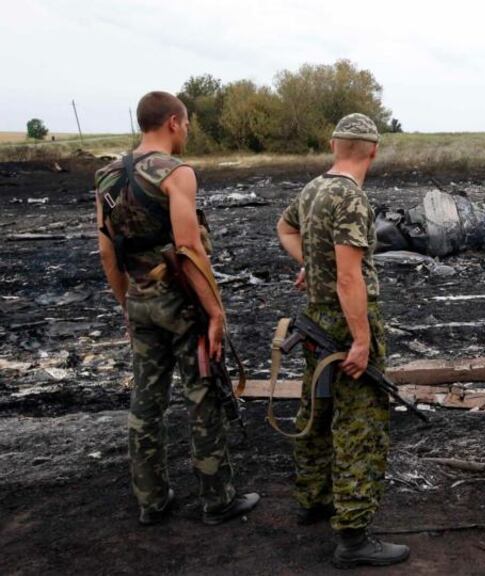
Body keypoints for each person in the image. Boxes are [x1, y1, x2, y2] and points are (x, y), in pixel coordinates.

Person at [95, 91, 259, 526]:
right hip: (182, 303)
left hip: (140, 302)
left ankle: (151, 500)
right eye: (185, 124)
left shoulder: (107, 177)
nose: (186, 131)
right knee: (202, 394)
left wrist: (127, 306)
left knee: (145, 403)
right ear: (172, 121)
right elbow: (188, 247)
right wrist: (216, 311)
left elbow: (108, 254)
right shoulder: (176, 173)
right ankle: (217, 499)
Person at [275, 113, 409, 569]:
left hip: (314, 322)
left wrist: (312, 266)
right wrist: (361, 340)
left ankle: (313, 499)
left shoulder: (313, 189)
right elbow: (350, 278)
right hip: (342, 323)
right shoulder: (351, 199)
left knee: (317, 408)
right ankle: (353, 536)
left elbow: (285, 228)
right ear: (373, 149)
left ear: (334, 145)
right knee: (359, 424)